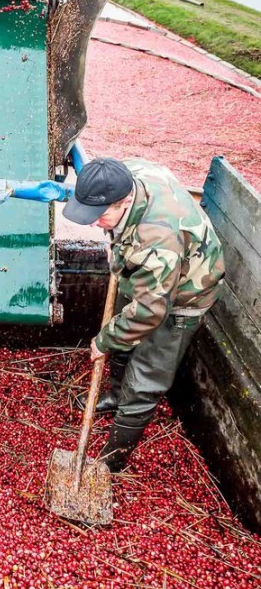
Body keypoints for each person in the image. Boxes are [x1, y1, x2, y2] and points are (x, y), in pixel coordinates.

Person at [63, 157, 225, 472]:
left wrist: (104, 340)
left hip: (186, 291)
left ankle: (113, 460)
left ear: (124, 202)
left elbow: (151, 310)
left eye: (101, 215)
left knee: (146, 375)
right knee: (124, 327)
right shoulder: (126, 175)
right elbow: (139, 301)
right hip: (149, 275)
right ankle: (114, 396)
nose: (95, 222)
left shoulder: (156, 243)